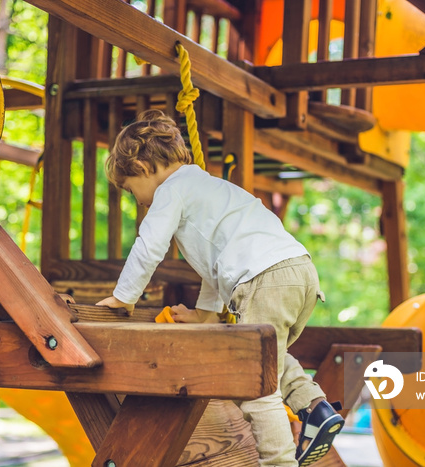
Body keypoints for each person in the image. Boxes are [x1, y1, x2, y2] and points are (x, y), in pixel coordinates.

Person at [96, 109, 344, 466]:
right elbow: (216, 268)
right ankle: (315, 407)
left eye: (133, 190)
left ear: (142, 168)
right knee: (268, 358)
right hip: (298, 273)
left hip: (263, 278)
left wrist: (123, 298)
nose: (140, 202)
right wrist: (204, 316)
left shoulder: (171, 191)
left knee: (254, 384)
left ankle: (280, 463)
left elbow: (149, 246)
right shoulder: (209, 188)